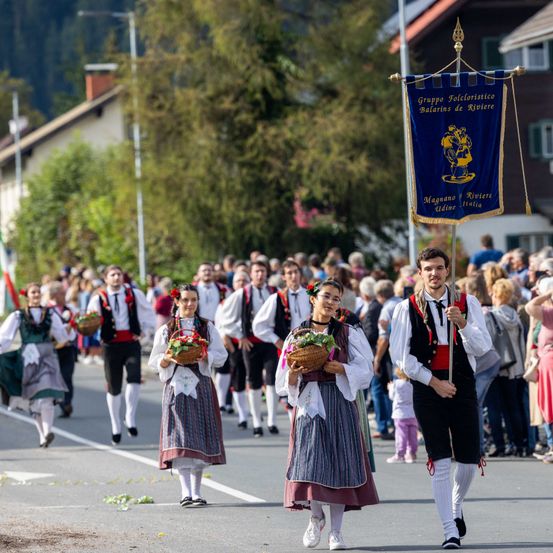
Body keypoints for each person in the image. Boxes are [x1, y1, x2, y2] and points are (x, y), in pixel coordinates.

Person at [390, 248, 492, 549]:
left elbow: (483, 346)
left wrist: (462, 323)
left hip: (462, 383)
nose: (434, 274)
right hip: (427, 387)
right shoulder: (406, 307)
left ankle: (456, 505)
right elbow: (402, 358)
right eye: (428, 269)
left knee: (469, 461)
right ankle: (449, 530)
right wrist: (433, 382)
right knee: (441, 460)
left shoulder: (467, 302)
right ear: (420, 274)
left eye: (438, 268)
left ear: (447, 270)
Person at [276, 279, 378, 550]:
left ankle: (336, 532)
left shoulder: (347, 332)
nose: (332, 302)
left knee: (339, 463)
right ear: (313, 299)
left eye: (336, 298)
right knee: (312, 462)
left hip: (338, 400)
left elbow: (366, 369)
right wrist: (295, 373)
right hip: (309, 401)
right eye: (327, 297)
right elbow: (281, 376)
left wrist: (342, 369)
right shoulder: (297, 334)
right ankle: (315, 517)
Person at [148, 284, 227, 506]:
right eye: (185, 300)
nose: (190, 304)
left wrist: (204, 355)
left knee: (199, 437)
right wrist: (166, 359)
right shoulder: (167, 329)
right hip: (175, 385)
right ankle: (185, 492)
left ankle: (197, 492)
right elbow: (155, 359)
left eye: (193, 300)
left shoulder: (207, 327)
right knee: (180, 437)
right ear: (177, 301)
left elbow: (221, 355)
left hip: (200, 384)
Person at [87, 265, 156, 445]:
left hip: (131, 342)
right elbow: (89, 319)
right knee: (114, 385)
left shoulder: (134, 294)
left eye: (119, 274)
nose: (117, 277)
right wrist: (94, 331)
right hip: (110, 345)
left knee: (134, 377)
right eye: (113, 275)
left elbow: (148, 312)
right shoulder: (98, 298)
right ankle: (115, 424)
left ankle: (130, 417)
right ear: (106, 279)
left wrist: (145, 331)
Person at [0, 283, 72, 447]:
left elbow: (61, 335)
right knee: (34, 400)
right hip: (28, 358)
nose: (36, 295)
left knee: (47, 395)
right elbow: (5, 337)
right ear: (27, 296)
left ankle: (48, 432)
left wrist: (71, 328)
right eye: (33, 292)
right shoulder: (18, 315)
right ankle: (42, 435)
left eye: (38, 292)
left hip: (47, 356)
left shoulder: (50, 313)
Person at [218, 260, 278, 437]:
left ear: (266, 273)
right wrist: (240, 336)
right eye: (256, 271)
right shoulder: (242, 294)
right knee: (253, 381)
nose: (260, 274)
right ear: (251, 274)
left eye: (262, 271)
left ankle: (272, 421)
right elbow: (226, 320)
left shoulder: (273, 292)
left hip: (270, 342)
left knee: (272, 379)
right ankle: (257, 422)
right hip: (250, 344)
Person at [216, 270, 251, 429]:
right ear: (234, 284)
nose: (242, 284)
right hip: (232, 344)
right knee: (235, 377)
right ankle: (242, 415)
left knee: (250, 379)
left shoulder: (254, 300)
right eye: (239, 281)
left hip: (252, 344)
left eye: (245, 280)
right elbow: (220, 323)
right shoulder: (225, 302)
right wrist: (225, 338)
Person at [195, 262, 231, 412]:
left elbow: (230, 310)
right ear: (198, 273)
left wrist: (226, 331)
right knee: (199, 363)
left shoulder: (223, 289)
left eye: (209, 270)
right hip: (198, 329)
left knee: (222, 363)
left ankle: (221, 401)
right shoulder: (194, 289)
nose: (207, 273)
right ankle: (201, 399)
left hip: (219, 329)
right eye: (204, 270)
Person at [47, 281, 78, 418]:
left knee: (67, 376)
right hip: (52, 349)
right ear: (54, 295)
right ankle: (60, 401)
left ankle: (67, 403)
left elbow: (81, 319)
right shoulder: (46, 310)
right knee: (55, 378)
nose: (65, 295)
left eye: (65, 293)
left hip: (68, 348)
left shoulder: (70, 308)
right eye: (62, 293)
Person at [386, 367, 418, 464]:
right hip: (412, 413)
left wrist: (389, 388)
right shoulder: (413, 384)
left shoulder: (396, 384)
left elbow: (392, 396)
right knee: (413, 435)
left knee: (401, 435)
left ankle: (400, 454)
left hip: (400, 414)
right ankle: (411, 453)